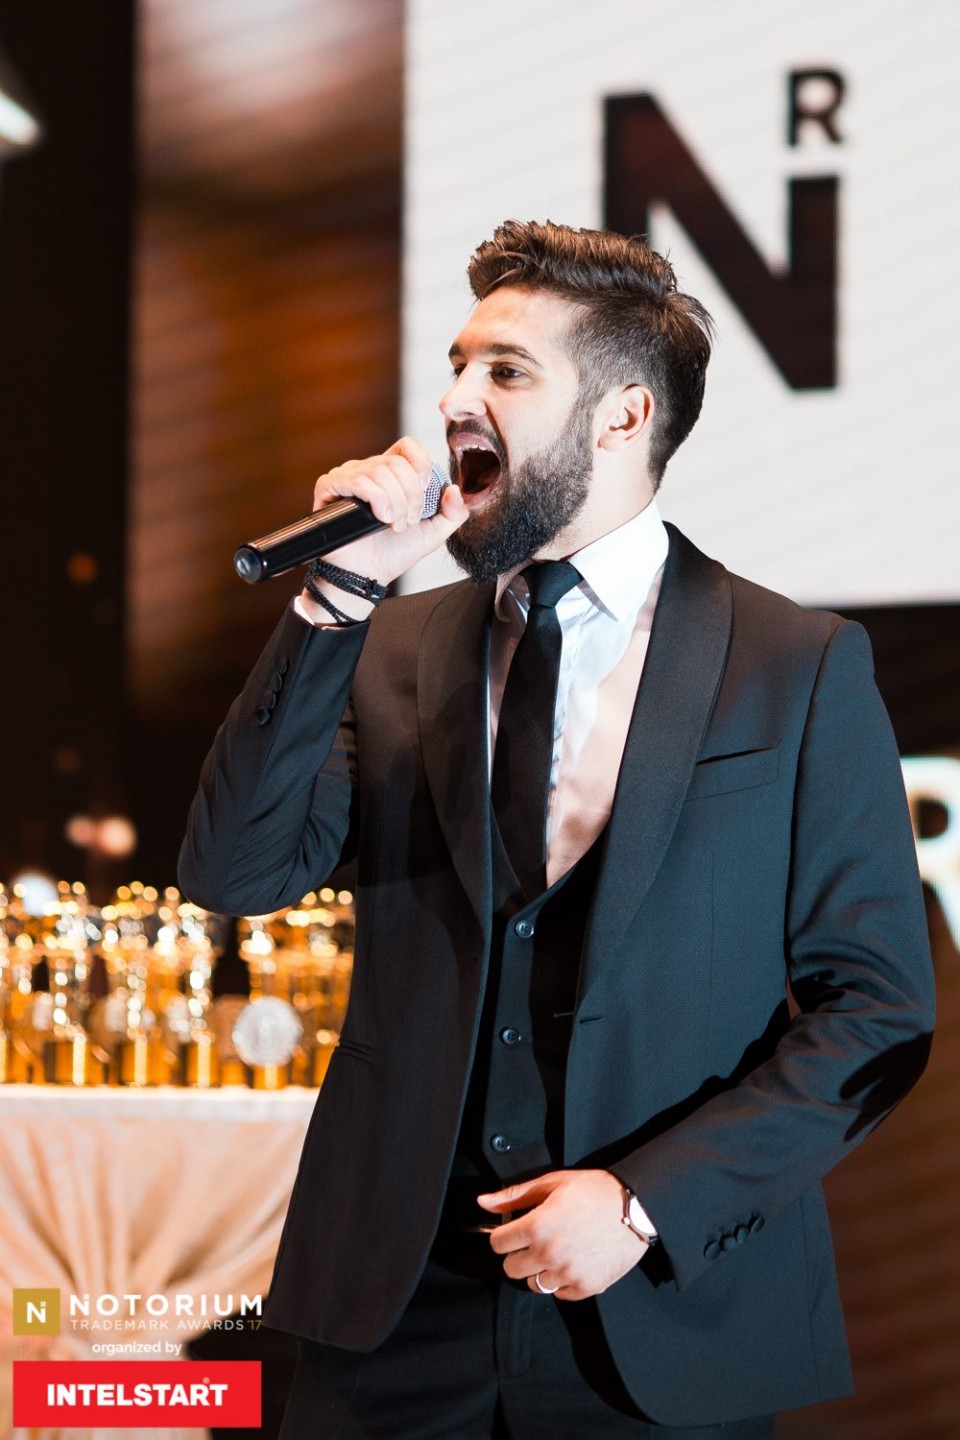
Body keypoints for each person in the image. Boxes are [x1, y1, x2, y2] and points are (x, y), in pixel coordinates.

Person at [179, 221, 935, 1439]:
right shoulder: (391, 646)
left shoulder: (794, 666)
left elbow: (878, 1012)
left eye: (507, 371)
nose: (453, 399)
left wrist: (643, 1205)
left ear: (624, 417)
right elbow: (234, 872)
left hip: (657, 1308)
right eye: (456, 365)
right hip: (393, 1310)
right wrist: (338, 596)